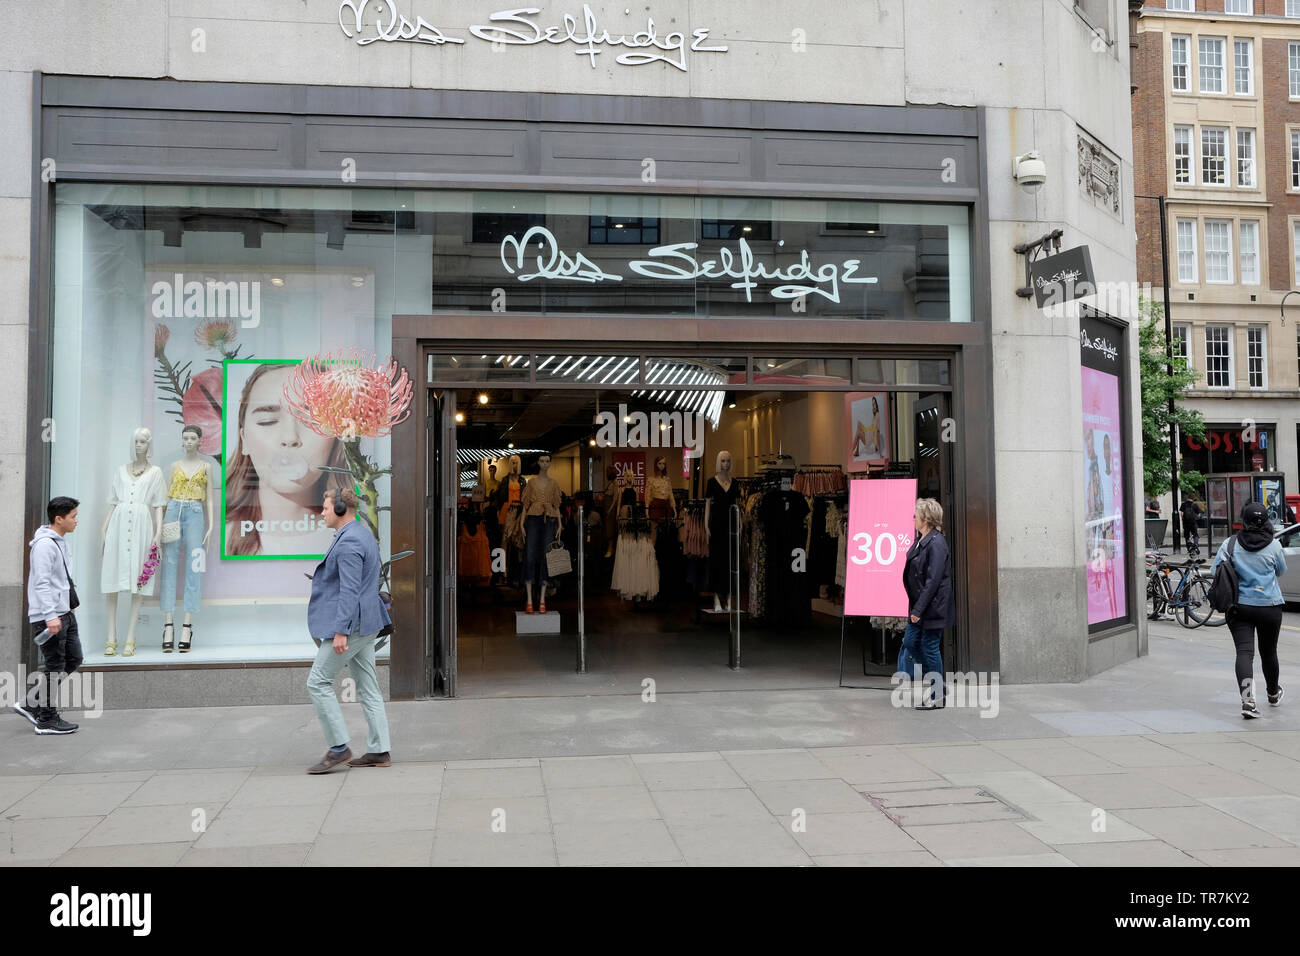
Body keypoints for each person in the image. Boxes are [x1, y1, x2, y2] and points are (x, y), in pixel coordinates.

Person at [305, 488, 393, 773]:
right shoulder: (362, 533)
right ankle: (379, 750)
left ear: (341, 510)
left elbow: (349, 591)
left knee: (317, 681)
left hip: (352, 625)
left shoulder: (349, 543)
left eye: (327, 507)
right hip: (367, 623)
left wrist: (341, 631)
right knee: (368, 686)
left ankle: (339, 747)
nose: (322, 512)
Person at [225, 363, 348, 556]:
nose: (290, 438)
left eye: (312, 421)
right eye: (268, 421)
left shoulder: (353, 536)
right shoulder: (215, 536)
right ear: (243, 439)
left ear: (336, 437)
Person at [1210, 501, 1287, 719]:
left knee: (1244, 653)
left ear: (1243, 519)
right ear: (1265, 521)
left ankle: (1248, 702)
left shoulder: (1231, 543)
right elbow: (1281, 570)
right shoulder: (1274, 545)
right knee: (1269, 652)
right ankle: (1272, 693)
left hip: (1239, 607)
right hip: (1270, 607)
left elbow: (1216, 569)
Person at [15, 497, 83, 734]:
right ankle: (47, 719)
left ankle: (31, 703)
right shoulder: (44, 545)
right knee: (54, 665)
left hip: (64, 612)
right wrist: (50, 616)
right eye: (73, 516)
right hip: (50, 616)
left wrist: (65, 611)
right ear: (59, 519)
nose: (76, 520)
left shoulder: (60, 542)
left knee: (73, 659)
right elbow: (41, 584)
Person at [898, 498, 957, 709]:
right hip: (920, 606)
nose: (913, 518)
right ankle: (937, 682)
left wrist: (919, 609)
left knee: (929, 646)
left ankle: (937, 692)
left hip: (932, 607)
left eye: (916, 515)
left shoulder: (937, 543)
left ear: (926, 519)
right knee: (911, 642)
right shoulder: (922, 540)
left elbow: (933, 581)